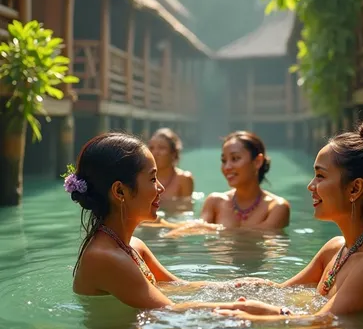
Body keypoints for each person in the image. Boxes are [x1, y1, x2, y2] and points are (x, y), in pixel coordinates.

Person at [215, 118, 363, 320]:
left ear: (355, 188)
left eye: (320, 176)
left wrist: (275, 312)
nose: (311, 186)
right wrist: (187, 288)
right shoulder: (335, 249)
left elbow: (319, 324)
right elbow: (281, 292)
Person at [68, 133, 238, 310]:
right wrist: (252, 311)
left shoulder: (134, 246)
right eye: (152, 179)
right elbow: (170, 311)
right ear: (120, 191)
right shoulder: (105, 256)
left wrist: (234, 286)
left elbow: (178, 286)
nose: (160, 187)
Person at [160, 131, 290, 236]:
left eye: (235, 159)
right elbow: (197, 228)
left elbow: (259, 239)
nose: (227, 167)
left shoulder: (276, 207)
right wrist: (163, 224)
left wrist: (212, 228)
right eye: (224, 160)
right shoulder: (214, 202)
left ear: (257, 162)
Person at [148, 128, 194, 202]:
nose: (155, 152)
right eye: (151, 148)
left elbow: (187, 209)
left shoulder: (184, 179)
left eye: (162, 148)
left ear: (173, 153)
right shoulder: (142, 178)